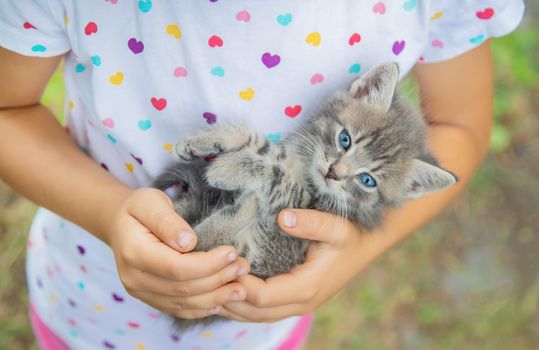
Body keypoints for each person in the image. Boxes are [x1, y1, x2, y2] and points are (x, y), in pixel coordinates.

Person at [0, 1, 525, 349]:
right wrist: (110, 214)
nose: (338, 169)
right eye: (345, 146)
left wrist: (354, 253)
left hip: (260, 333)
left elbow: (460, 125)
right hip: (91, 305)